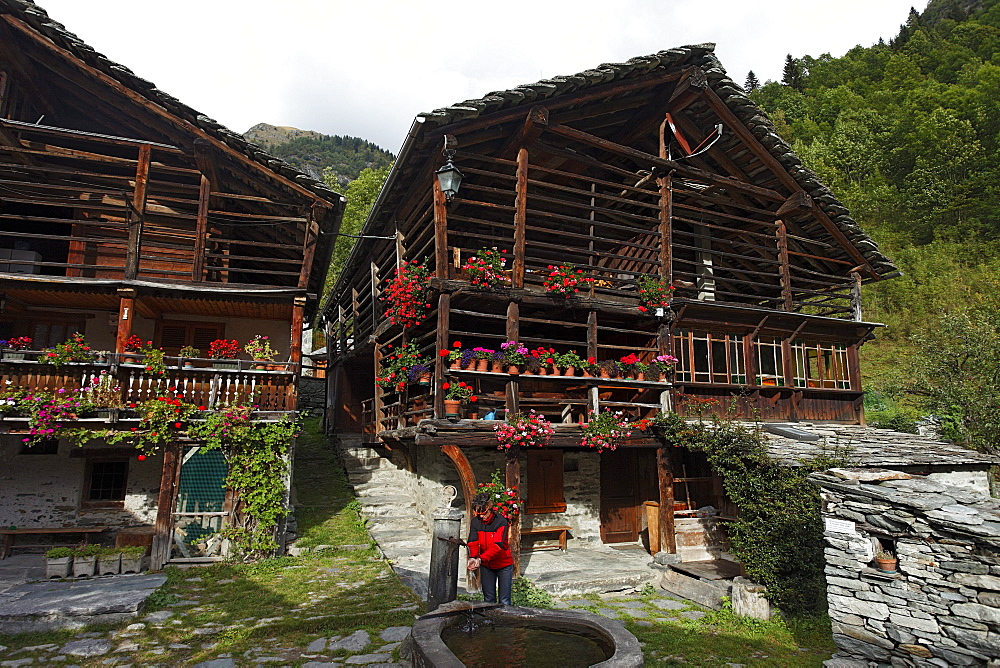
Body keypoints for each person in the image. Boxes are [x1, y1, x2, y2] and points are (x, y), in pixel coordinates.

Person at [466, 491, 513, 606]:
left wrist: (481, 558)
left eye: (483, 512)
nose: (481, 516)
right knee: (488, 599)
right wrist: (473, 557)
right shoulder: (475, 522)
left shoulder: (501, 521)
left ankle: (505, 622)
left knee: (504, 601)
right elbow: (473, 541)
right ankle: (490, 622)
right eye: (477, 513)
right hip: (486, 566)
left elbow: (497, 546)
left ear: (489, 507)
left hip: (504, 565)